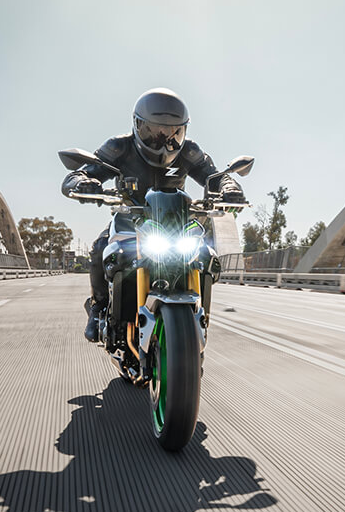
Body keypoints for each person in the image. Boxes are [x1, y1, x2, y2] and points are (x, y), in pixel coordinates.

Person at [62, 88, 246, 341]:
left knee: (206, 257)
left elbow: (214, 176)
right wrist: (82, 182)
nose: (164, 141)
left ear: (183, 130)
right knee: (100, 249)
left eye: (173, 133)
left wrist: (229, 188)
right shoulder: (119, 147)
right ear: (138, 125)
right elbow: (86, 170)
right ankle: (97, 309)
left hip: (176, 222)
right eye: (154, 132)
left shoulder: (189, 151)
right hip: (130, 219)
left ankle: (197, 326)